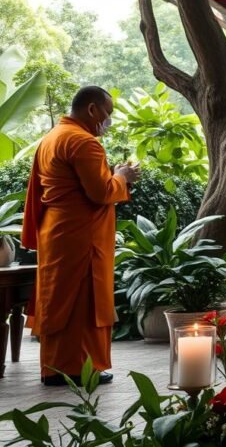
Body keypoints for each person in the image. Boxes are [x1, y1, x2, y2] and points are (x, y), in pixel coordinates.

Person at [23, 86, 139, 386]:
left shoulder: (52, 138)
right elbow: (100, 192)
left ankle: (54, 367)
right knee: (82, 302)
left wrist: (112, 174)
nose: (108, 120)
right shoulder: (83, 142)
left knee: (59, 298)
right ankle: (79, 368)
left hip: (56, 230)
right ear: (92, 109)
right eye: (107, 113)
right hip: (79, 235)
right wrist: (123, 178)